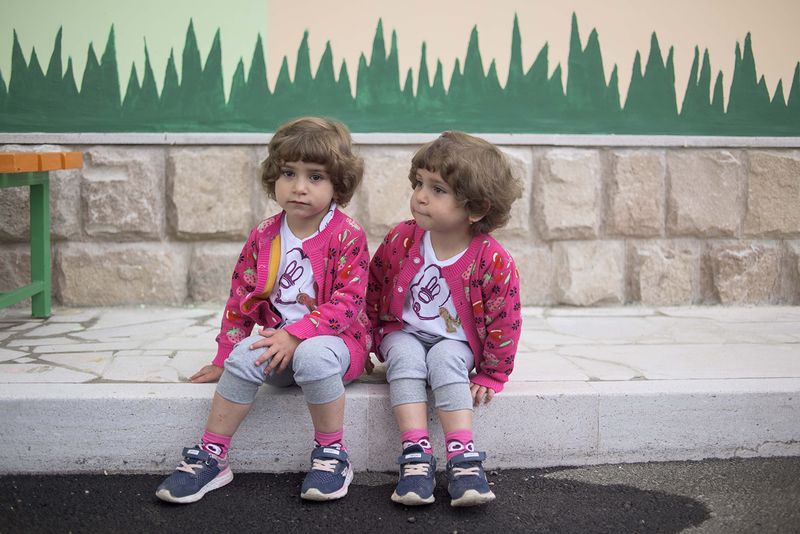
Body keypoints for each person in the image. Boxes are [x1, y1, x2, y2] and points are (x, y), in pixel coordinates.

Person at [156, 117, 371, 503]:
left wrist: (296, 334)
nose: (299, 187)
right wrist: (224, 356)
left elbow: (349, 302)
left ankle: (331, 452)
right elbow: (241, 298)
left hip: (337, 345)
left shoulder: (346, 234)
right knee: (243, 360)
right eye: (289, 173)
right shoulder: (265, 233)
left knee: (315, 356)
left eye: (316, 177)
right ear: (274, 176)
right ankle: (212, 454)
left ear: (339, 184)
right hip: (281, 348)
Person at [367, 131, 523, 507]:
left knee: (445, 359)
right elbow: (374, 285)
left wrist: (492, 373)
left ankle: (462, 458)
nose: (420, 195)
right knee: (405, 356)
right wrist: (367, 338)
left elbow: (506, 320)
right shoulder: (402, 238)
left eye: (438, 189)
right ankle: (416, 455)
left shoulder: (491, 260)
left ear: (476, 208)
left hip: (457, 342)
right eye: (419, 182)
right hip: (403, 331)